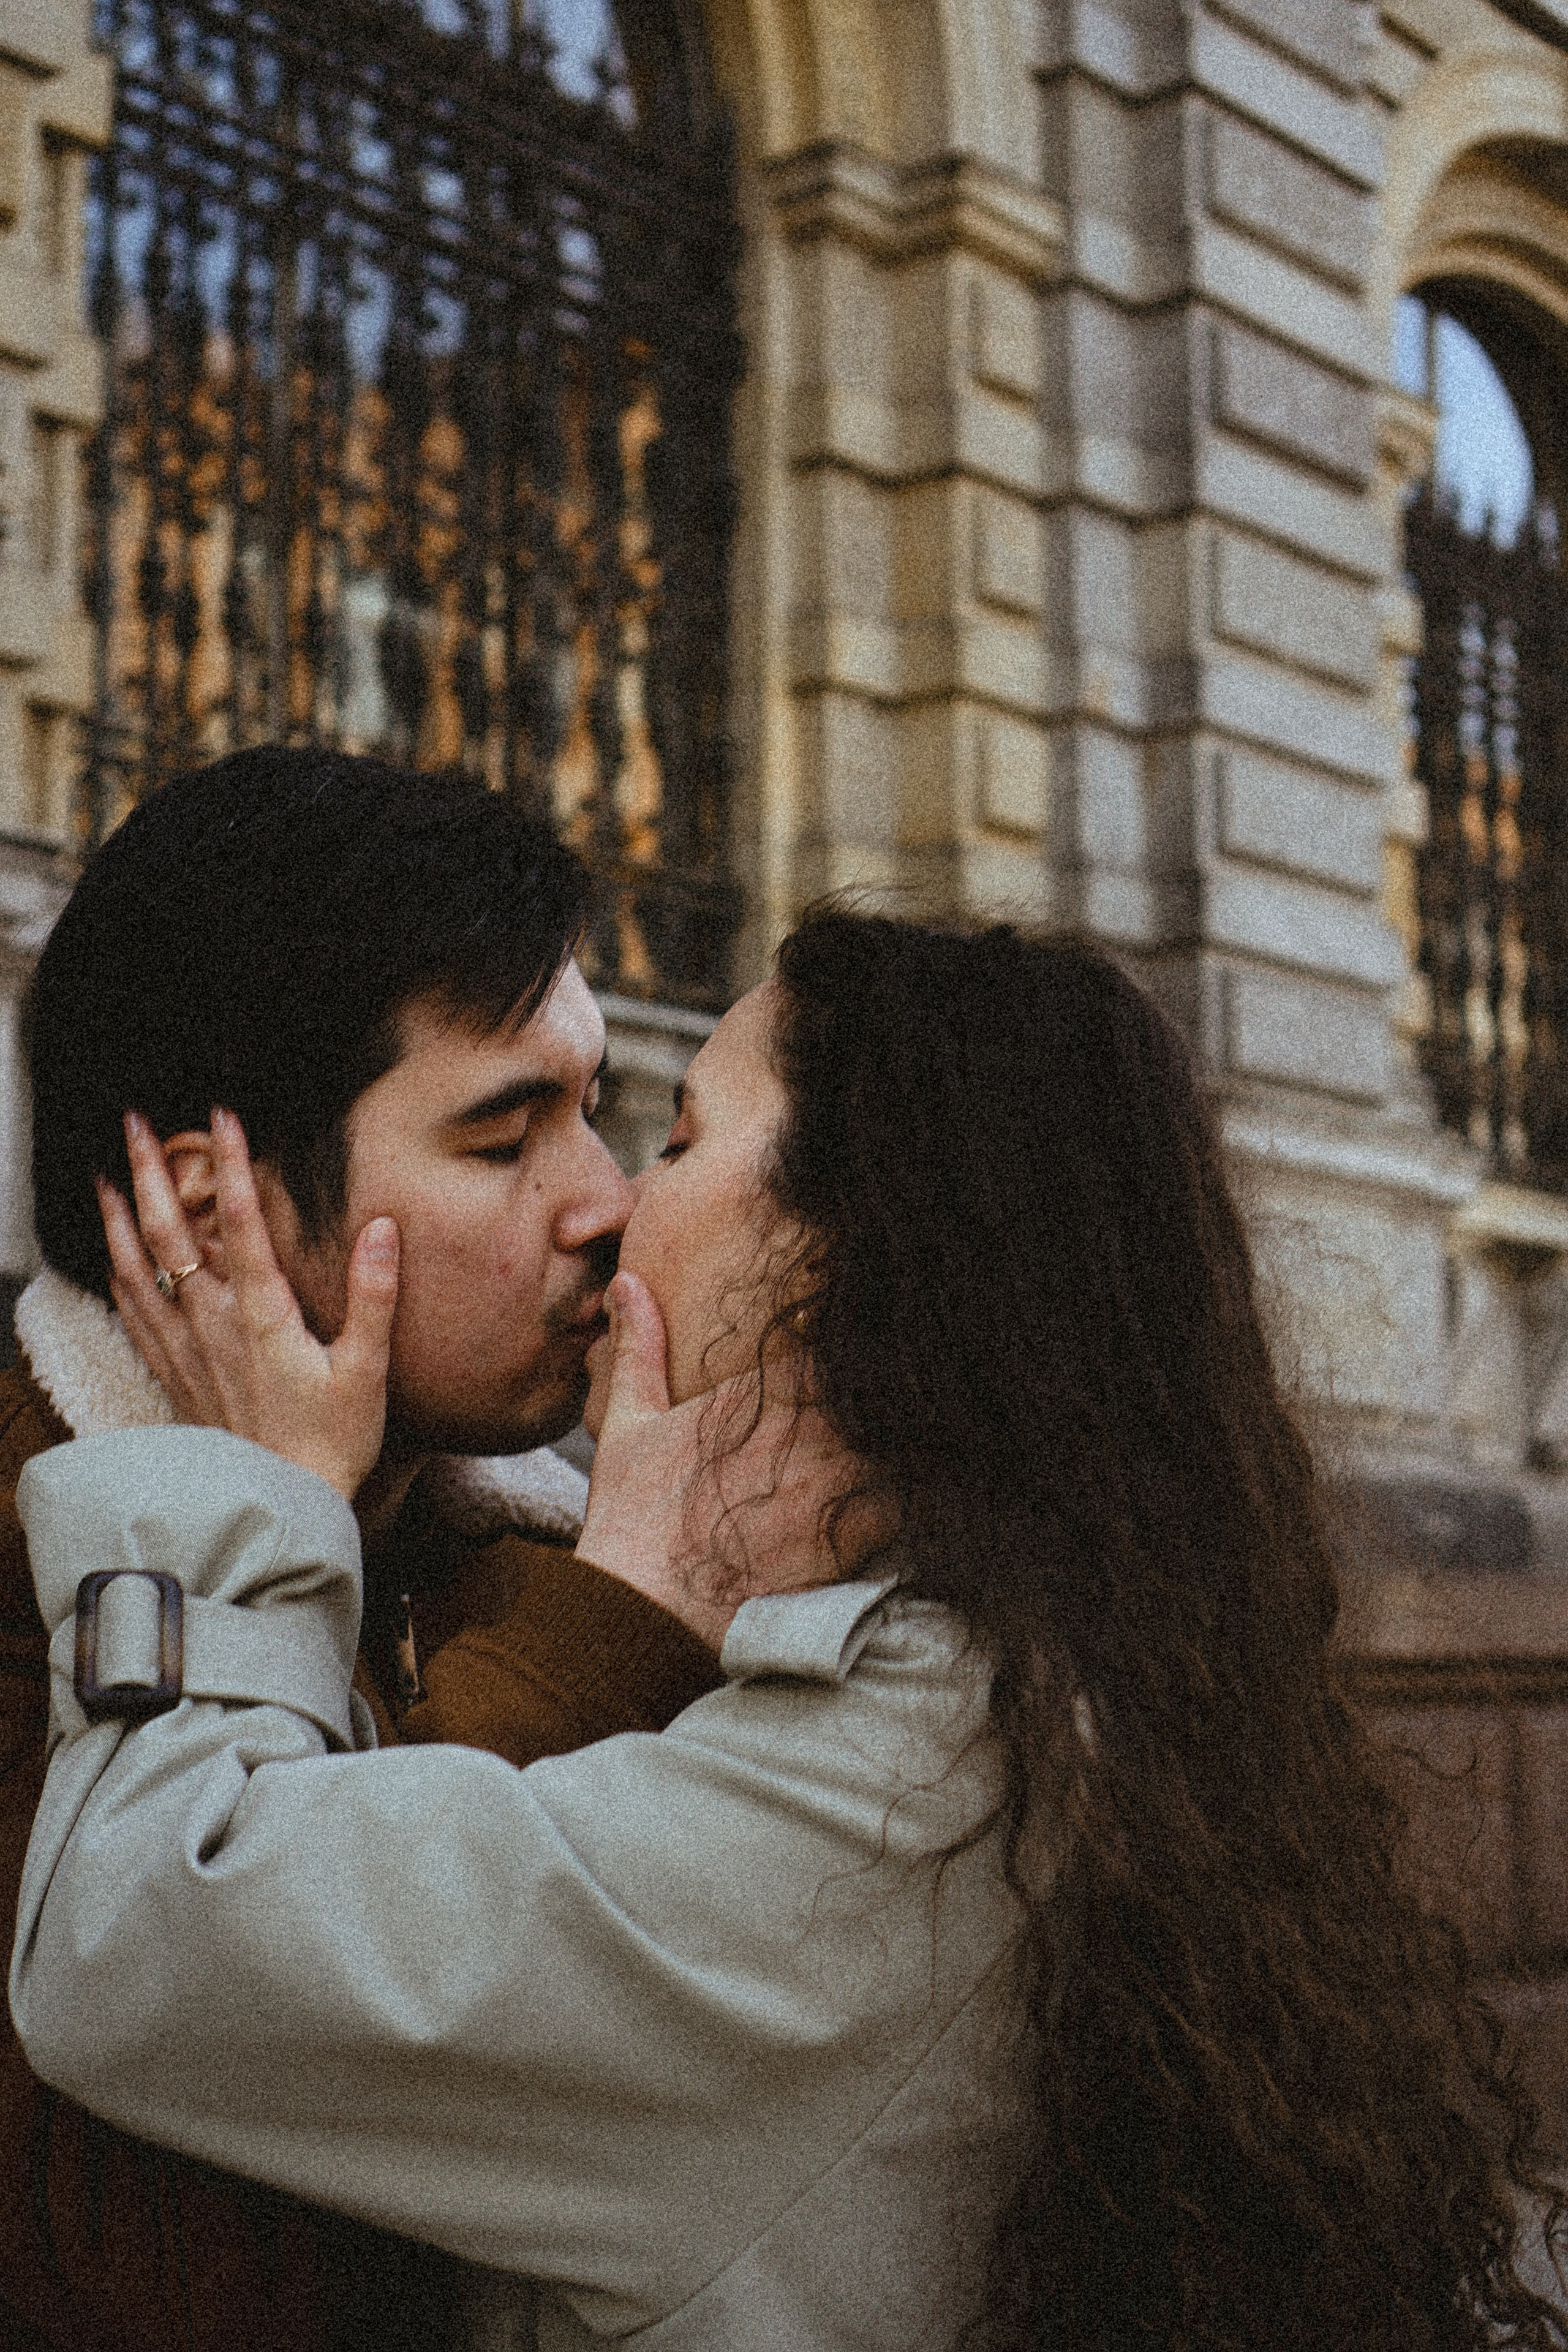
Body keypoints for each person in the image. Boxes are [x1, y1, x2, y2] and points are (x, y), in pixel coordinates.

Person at [12, 908, 1567, 2352]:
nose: (611, 1203)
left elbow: (139, 1947)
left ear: (841, 1255)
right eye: (507, 1136)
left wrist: (254, 1489)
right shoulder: (1024, 1676)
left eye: (673, 1135)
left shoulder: (893, 1788)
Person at [0, 745, 728, 2352]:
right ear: (212, 1211)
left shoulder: (535, 1558)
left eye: (595, 1113)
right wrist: (591, 1639)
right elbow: (190, 2286)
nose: (606, 1204)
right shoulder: (24, 1594)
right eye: (503, 1139)